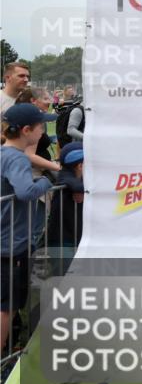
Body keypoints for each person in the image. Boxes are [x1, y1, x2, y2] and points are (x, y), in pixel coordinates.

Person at [1, 103, 57, 350]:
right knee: (7, 308)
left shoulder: (3, 153)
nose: (43, 132)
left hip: (7, 239)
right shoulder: (17, 159)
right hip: (12, 244)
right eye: (40, 126)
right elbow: (25, 191)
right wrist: (45, 182)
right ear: (26, 130)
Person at [15, 88, 60, 179]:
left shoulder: (29, 117)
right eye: (45, 99)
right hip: (33, 173)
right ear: (33, 101)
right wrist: (57, 167)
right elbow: (29, 155)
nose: (49, 102)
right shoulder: (30, 121)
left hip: (38, 170)